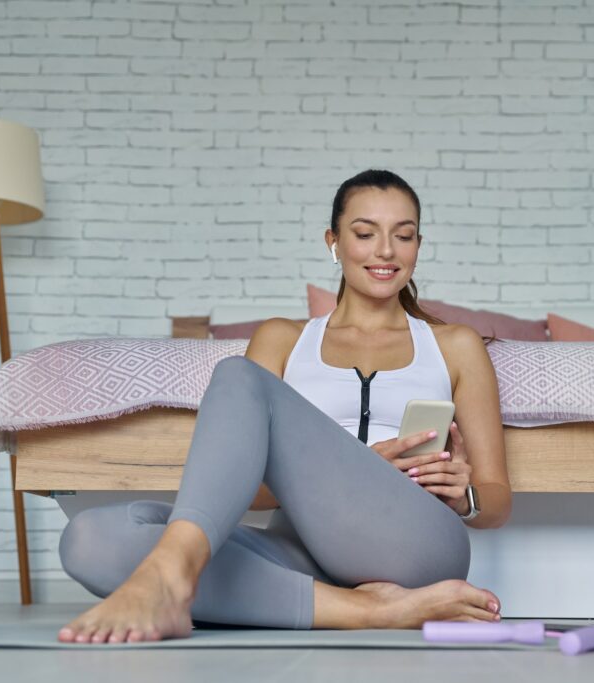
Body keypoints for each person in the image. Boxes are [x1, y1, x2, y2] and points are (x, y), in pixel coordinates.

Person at [56, 169, 512, 644]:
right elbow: (248, 496)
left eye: (404, 235)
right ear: (333, 242)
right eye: (364, 233)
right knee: (89, 540)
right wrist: (340, 475)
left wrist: (467, 497)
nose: (385, 251)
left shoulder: (455, 346)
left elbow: (498, 499)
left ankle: (171, 577)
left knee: (236, 375)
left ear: (418, 245)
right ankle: (364, 609)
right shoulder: (283, 340)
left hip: (414, 543)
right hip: (295, 549)